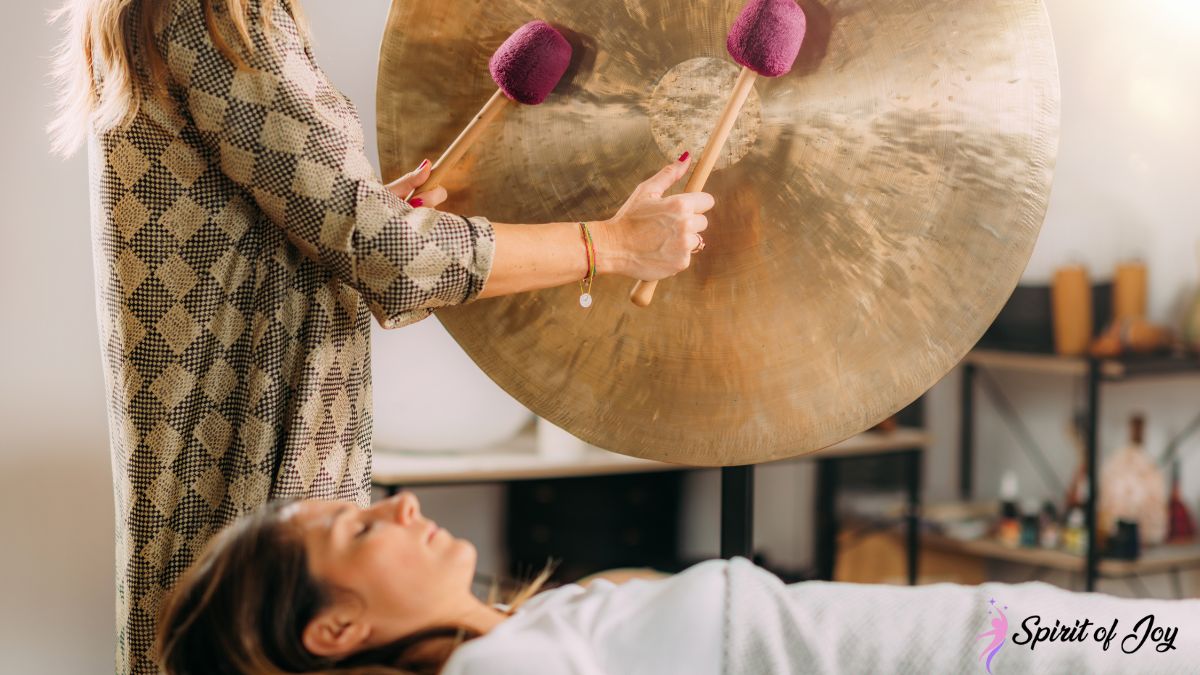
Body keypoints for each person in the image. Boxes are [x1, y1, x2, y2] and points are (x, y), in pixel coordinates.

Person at [49, 0, 714, 671]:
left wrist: (365, 216)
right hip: (249, 463)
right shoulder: (210, 10)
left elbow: (269, 238)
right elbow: (389, 255)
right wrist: (613, 244)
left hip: (247, 447)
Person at [159, 492, 1200, 675]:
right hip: (993, 654)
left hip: (993, 636)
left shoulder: (523, 630)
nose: (399, 504)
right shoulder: (502, 669)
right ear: (334, 630)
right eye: (357, 527)